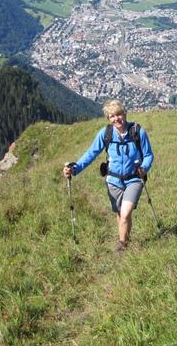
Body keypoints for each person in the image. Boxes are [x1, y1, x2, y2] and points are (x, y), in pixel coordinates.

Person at [63, 99, 154, 252]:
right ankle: (126, 238)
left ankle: (122, 246)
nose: (116, 118)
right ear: (108, 118)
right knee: (121, 213)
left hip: (134, 179)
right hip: (113, 181)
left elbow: (148, 155)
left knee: (125, 213)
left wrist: (144, 168)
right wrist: (75, 168)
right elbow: (91, 153)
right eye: (112, 116)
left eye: (118, 114)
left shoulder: (138, 132)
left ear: (125, 114)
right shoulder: (106, 134)